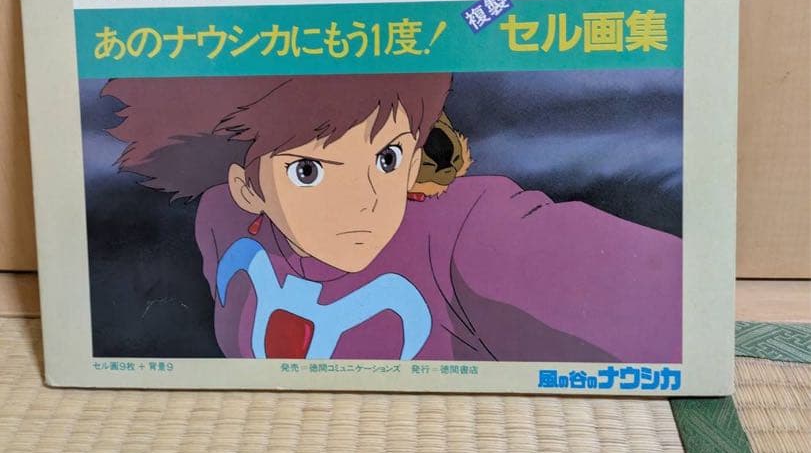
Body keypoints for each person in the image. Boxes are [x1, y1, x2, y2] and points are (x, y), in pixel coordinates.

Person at [104, 73, 681, 363]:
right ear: (248, 188)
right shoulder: (222, 218)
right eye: (309, 171)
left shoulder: (470, 230)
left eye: (386, 159)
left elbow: (674, 297)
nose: (364, 202)